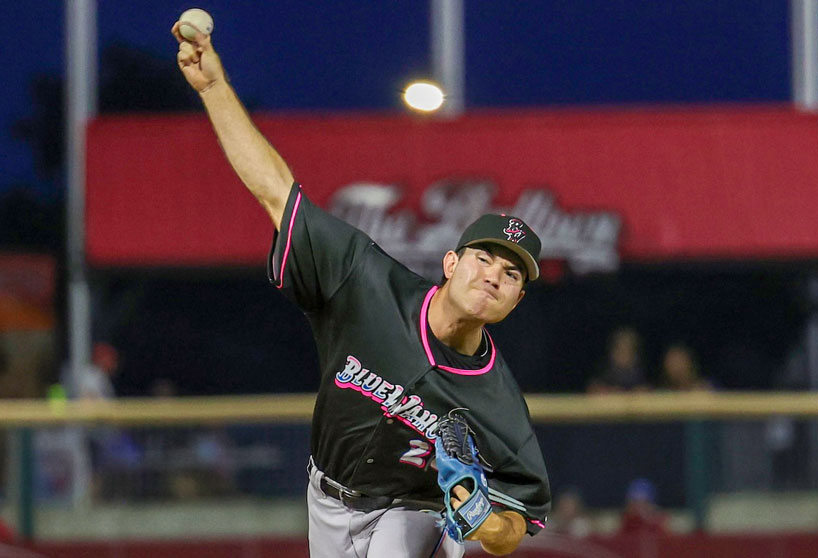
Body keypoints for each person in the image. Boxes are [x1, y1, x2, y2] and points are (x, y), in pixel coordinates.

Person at [171, 23, 551, 558]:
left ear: (516, 300)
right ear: (450, 262)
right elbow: (277, 193)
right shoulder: (366, 281)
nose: (493, 275)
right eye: (483, 258)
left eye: (511, 274)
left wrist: (487, 524)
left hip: (414, 513)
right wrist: (213, 88)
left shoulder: (499, 402)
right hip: (325, 499)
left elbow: (519, 520)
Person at [587, 327, 648, 392]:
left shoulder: (640, 372)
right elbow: (593, 388)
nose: (623, 354)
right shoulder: (604, 370)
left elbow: (647, 389)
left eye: (628, 350)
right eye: (620, 350)